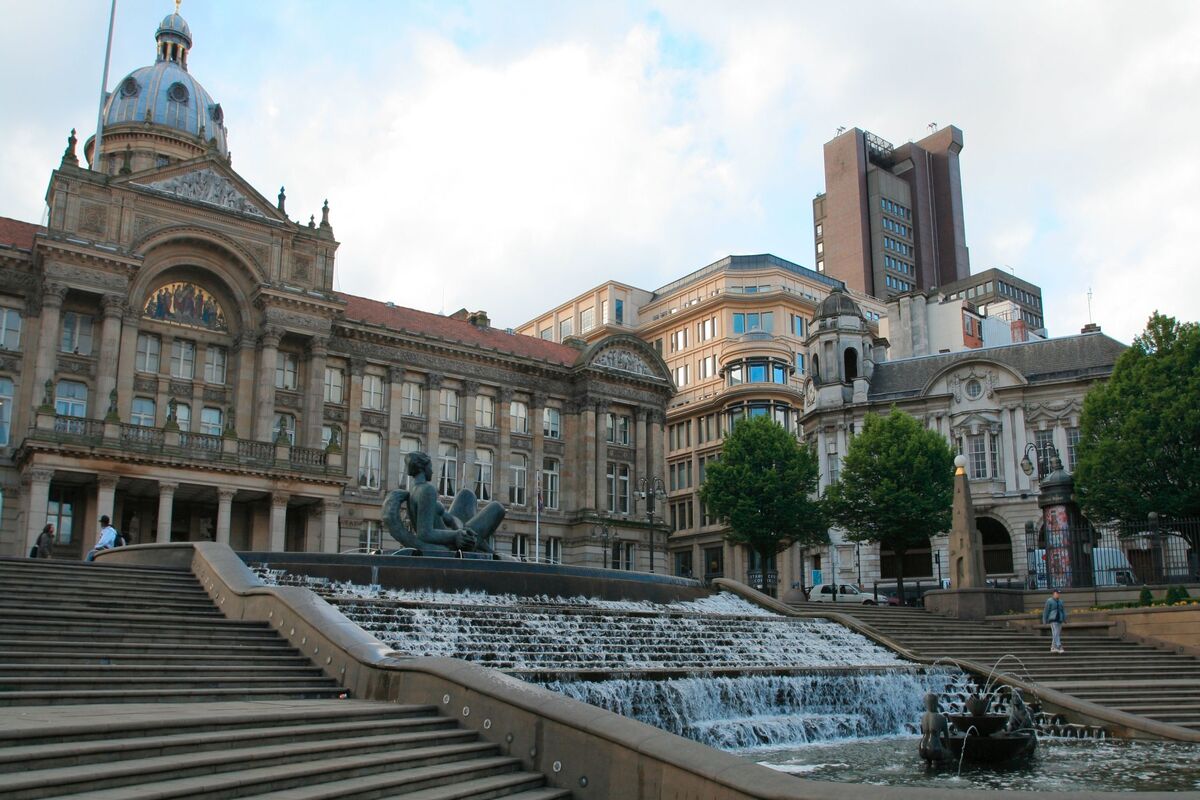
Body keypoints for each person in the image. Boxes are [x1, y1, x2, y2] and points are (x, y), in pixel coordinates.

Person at [383, 451, 504, 556]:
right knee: (497, 508)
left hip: (455, 531)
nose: (433, 471)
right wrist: (456, 535)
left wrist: (456, 526)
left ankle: (483, 547)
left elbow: (447, 519)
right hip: (455, 543)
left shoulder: (414, 489)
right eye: (430, 466)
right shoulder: (427, 490)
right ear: (423, 468)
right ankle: (481, 547)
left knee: (466, 494)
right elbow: (424, 534)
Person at [1042, 588, 1068, 653]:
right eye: (1057, 593)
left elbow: (1063, 610)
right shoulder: (1049, 601)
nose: (1058, 595)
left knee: (1056, 634)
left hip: (1059, 619)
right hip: (1053, 619)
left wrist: (1064, 619)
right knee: (1055, 632)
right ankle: (1059, 645)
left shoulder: (1061, 601)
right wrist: (1044, 620)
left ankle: (1053, 647)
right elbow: (1046, 611)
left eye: (1059, 593)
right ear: (1054, 594)